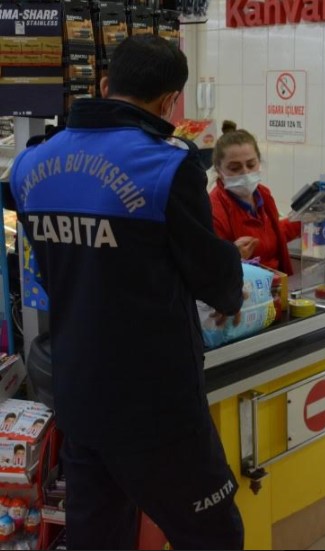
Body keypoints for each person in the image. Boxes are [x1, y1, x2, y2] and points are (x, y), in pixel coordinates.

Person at [9, 35, 245, 550]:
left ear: (103, 84)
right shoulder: (166, 165)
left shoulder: (29, 167)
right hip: (155, 403)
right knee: (214, 535)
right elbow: (210, 271)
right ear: (169, 103)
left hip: (77, 394)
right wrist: (232, 289)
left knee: (99, 537)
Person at [209, 129, 301, 275]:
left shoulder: (263, 194)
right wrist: (232, 255)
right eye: (235, 168)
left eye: (251, 165)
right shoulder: (214, 209)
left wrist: (303, 220)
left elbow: (271, 236)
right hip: (245, 290)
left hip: (276, 285)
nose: (245, 172)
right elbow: (211, 267)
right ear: (219, 170)